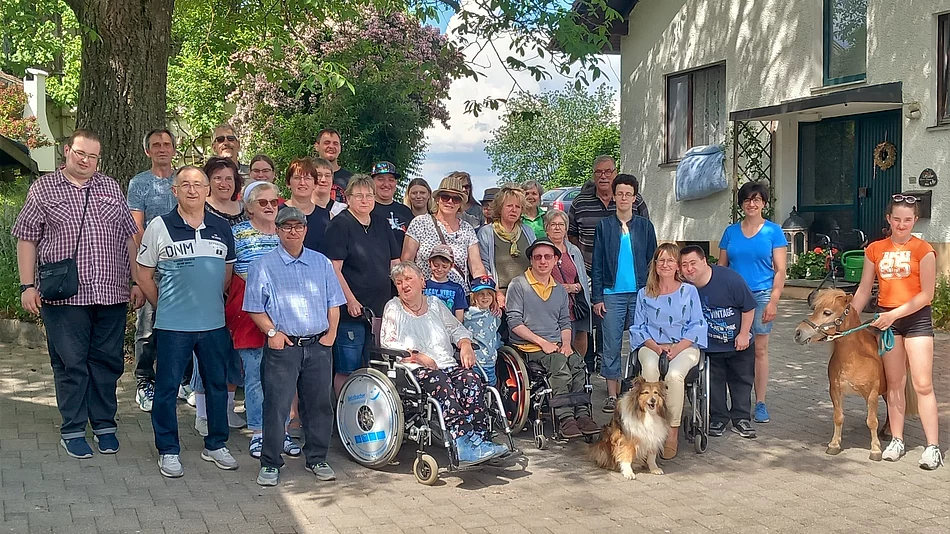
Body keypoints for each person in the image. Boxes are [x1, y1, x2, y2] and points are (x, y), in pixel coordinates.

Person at [13, 129, 142, 459]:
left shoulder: (110, 187)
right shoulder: (44, 189)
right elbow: (26, 238)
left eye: (92, 156)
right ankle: (72, 426)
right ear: (67, 150)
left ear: (99, 159)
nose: (85, 161)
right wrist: (28, 286)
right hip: (64, 295)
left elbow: (130, 237)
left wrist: (138, 281)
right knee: (71, 363)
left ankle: (103, 423)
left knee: (107, 361)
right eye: (80, 153)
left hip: (111, 292)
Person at [136, 166, 238, 478]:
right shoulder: (159, 226)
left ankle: (216, 444)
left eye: (198, 184)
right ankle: (168, 450)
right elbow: (143, 274)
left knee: (217, 386)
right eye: (185, 185)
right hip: (172, 325)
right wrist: (164, 303)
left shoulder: (222, 228)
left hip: (212, 324)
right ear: (174, 190)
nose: (192, 190)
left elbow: (226, 276)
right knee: (166, 388)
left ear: (208, 190)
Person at [244, 207, 347, 486]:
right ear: (277, 230)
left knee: (318, 406)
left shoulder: (321, 263)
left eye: (298, 226)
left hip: (318, 346)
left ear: (305, 230)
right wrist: (272, 332)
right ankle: (270, 463)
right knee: (276, 407)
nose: (293, 231)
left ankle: (317, 458)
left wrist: (331, 335)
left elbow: (334, 303)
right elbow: (254, 308)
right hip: (283, 347)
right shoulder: (262, 265)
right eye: (286, 226)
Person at [380, 262, 507, 463]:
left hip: (445, 364)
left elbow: (456, 329)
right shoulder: (393, 307)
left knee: (471, 378)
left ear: (422, 281)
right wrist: (418, 356)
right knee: (440, 381)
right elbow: (388, 343)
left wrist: (465, 344)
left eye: (408, 279)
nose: (404, 285)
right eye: (399, 282)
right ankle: (463, 443)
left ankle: (481, 439)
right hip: (413, 371)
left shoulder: (435, 304)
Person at [850, 196, 943, 470]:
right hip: (888, 322)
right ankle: (898, 440)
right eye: (897, 219)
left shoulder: (923, 249)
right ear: (888, 219)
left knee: (923, 384)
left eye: (907, 220)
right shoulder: (875, 250)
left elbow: (927, 295)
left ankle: (933, 447)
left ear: (914, 221)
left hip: (915, 321)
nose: (902, 224)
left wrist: (893, 314)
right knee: (894, 385)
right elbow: (864, 290)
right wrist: (848, 321)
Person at [224, 181, 301, 458]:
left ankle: (281, 432)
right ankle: (258, 432)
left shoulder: (285, 234)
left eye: (273, 202)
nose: (270, 207)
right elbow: (227, 275)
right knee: (255, 376)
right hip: (249, 313)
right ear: (249, 207)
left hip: (285, 314)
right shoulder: (236, 234)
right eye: (263, 203)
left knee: (283, 378)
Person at [506, 239, 598, 438]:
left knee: (577, 364)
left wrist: (566, 344)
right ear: (531, 260)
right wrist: (542, 343)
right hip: (528, 346)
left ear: (556, 260)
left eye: (548, 257)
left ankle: (582, 415)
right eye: (537, 257)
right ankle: (565, 418)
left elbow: (565, 322)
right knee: (559, 365)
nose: (542, 261)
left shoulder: (558, 289)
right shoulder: (518, 285)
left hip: (556, 344)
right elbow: (514, 322)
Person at [322, 175, 400, 393]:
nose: (365, 200)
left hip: (381, 310)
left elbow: (395, 263)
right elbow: (333, 269)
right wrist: (351, 301)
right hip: (352, 312)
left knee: (377, 366)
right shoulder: (340, 225)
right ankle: (343, 414)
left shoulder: (381, 223)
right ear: (348, 198)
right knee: (348, 368)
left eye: (369, 196)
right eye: (359, 196)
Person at [629, 243, 707, 459]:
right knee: (651, 372)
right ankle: (649, 428)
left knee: (673, 375)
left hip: (685, 346)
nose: (665, 264)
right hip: (651, 345)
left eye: (670, 260)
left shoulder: (689, 291)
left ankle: (672, 432)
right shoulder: (644, 294)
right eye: (660, 260)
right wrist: (656, 346)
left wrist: (677, 347)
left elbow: (698, 325)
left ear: (677, 266)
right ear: (654, 265)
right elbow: (638, 327)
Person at [718, 181, 787, 424]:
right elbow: (721, 268)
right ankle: (734, 400)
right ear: (741, 204)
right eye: (747, 200)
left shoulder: (773, 231)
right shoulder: (730, 232)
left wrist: (774, 301)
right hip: (733, 298)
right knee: (732, 349)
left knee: (759, 350)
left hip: (761, 295)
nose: (752, 204)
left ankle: (760, 402)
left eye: (757, 200)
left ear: (764, 204)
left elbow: (780, 270)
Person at [591, 173, 657, 414]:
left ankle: (638, 391)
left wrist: (654, 293)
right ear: (614, 196)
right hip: (612, 293)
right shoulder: (605, 226)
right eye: (620, 193)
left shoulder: (645, 226)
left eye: (628, 194)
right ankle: (611, 394)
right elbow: (597, 262)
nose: (624, 198)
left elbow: (654, 261)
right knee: (611, 344)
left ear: (634, 197)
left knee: (641, 343)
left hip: (641, 293)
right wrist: (597, 297)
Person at [679, 245, 756, 439]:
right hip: (710, 346)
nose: (689, 269)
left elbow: (748, 307)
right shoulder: (685, 289)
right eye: (684, 265)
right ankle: (718, 418)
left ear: (705, 261)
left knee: (741, 380)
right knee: (713, 382)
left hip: (738, 341)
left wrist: (744, 333)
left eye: (693, 263)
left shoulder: (729, 279)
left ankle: (741, 419)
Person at [127, 128, 179, 412]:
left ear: (174, 149)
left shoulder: (184, 180)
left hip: (182, 267)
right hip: (151, 267)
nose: (162, 149)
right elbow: (136, 229)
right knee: (146, 330)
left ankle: (182, 380)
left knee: (183, 328)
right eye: (156, 145)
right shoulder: (139, 183)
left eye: (167, 144)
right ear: (148, 151)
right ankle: (145, 382)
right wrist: (137, 278)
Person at [402, 175, 488, 292]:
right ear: (437, 199)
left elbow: (476, 267)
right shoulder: (420, 223)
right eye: (445, 197)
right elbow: (407, 261)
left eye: (456, 199)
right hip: (426, 296)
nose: (450, 202)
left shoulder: (467, 229)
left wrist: (485, 290)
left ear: (460, 203)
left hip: (458, 298)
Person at [477, 185, 537, 306]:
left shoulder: (528, 231)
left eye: (518, 207)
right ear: (500, 208)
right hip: (499, 296)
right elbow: (484, 267)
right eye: (509, 206)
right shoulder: (487, 232)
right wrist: (496, 293)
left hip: (527, 294)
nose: (514, 210)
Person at [544, 209, 592, 359]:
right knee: (560, 344)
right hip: (554, 306)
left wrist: (575, 287)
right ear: (547, 228)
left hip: (575, 304)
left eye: (561, 224)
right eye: (553, 224)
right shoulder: (542, 251)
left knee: (580, 341)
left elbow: (582, 278)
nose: (557, 228)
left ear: (566, 228)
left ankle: (579, 371)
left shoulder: (574, 250)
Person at [464, 276, 502, 386]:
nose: (485, 297)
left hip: (490, 360)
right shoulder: (468, 314)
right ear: (474, 296)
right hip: (473, 360)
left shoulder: (494, 313)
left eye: (489, 294)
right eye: (481, 294)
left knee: (492, 385)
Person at [371, 161, 413, 252]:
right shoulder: (366, 209)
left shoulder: (405, 211)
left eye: (391, 180)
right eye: (381, 179)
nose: (386, 184)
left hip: (401, 264)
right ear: (372, 182)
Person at [424, 244, 468, 322]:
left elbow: (459, 318)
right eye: (436, 265)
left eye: (444, 266)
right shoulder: (422, 285)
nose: (440, 269)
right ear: (429, 263)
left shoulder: (457, 288)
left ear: (451, 266)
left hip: (449, 329)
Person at [203, 156, 246, 225]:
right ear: (208, 181)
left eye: (229, 179)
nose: (223, 184)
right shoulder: (200, 208)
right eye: (218, 178)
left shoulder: (246, 209)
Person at [313, 128, 351, 202]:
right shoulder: (307, 175)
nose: (331, 146)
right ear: (317, 146)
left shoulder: (350, 180)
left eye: (335, 143)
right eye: (327, 143)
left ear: (340, 148)